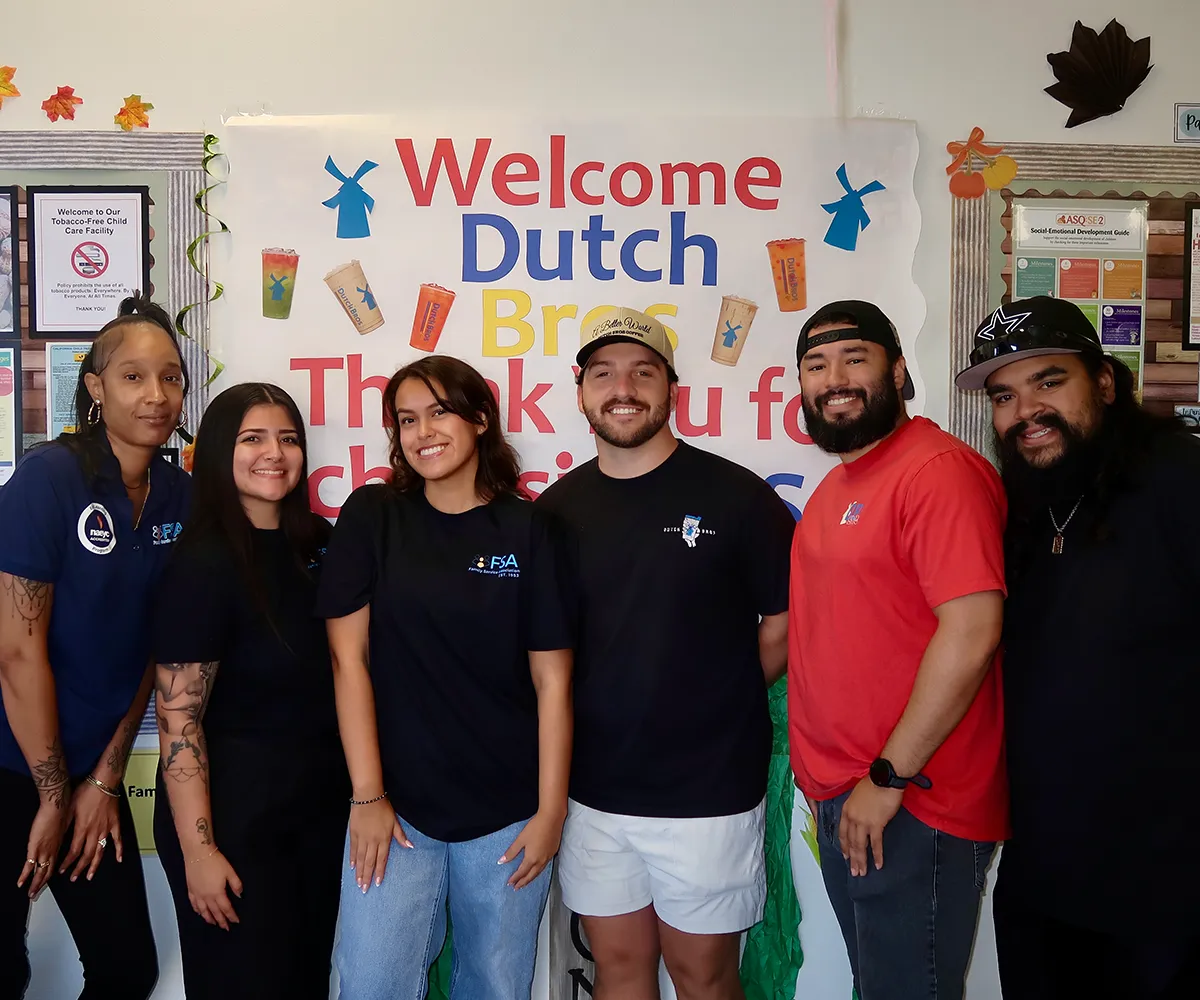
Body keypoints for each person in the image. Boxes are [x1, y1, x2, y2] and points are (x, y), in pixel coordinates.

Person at [537, 308, 794, 1000]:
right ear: (581, 390)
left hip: (707, 792)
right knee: (618, 971)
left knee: (703, 976)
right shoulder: (555, 512)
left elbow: (787, 619)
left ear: (670, 388)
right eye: (604, 374)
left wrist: (723, 687)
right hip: (593, 794)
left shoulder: (737, 497)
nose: (623, 388)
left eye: (642, 372)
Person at [955, 296, 1200, 1000]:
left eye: (1048, 381)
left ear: (1103, 382)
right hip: (1044, 870)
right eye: (1004, 395)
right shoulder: (1021, 503)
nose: (1026, 410)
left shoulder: (1180, 479)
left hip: (1166, 884)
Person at [316, 355, 574, 1000]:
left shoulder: (530, 528)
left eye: (440, 412)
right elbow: (349, 661)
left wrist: (548, 813)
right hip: (396, 812)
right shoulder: (374, 515)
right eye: (406, 419)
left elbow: (553, 685)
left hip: (508, 815)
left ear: (480, 420)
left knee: (495, 987)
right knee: (372, 984)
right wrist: (368, 795)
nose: (423, 431)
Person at [787, 300, 1007, 1000]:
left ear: (898, 370)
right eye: (816, 365)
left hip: (910, 801)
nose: (835, 378)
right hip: (852, 796)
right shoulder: (838, 486)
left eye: (856, 358)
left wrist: (887, 778)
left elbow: (972, 631)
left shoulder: (936, 470)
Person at [0, 295, 191, 999]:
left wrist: (103, 781)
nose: (156, 394)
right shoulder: (50, 477)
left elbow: (152, 652)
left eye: (171, 377)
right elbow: (17, 654)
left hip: (87, 775)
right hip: (10, 765)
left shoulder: (180, 497)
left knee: (126, 968)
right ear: (95, 387)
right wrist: (53, 795)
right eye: (134, 377)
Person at [151, 383, 348, 998]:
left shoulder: (320, 543)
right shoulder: (203, 562)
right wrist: (199, 852)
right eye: (253, 438)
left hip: (316, 814)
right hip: (233, 819)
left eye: (288, 439)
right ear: (217, 452)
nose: (275, 453)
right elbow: (180, 722)